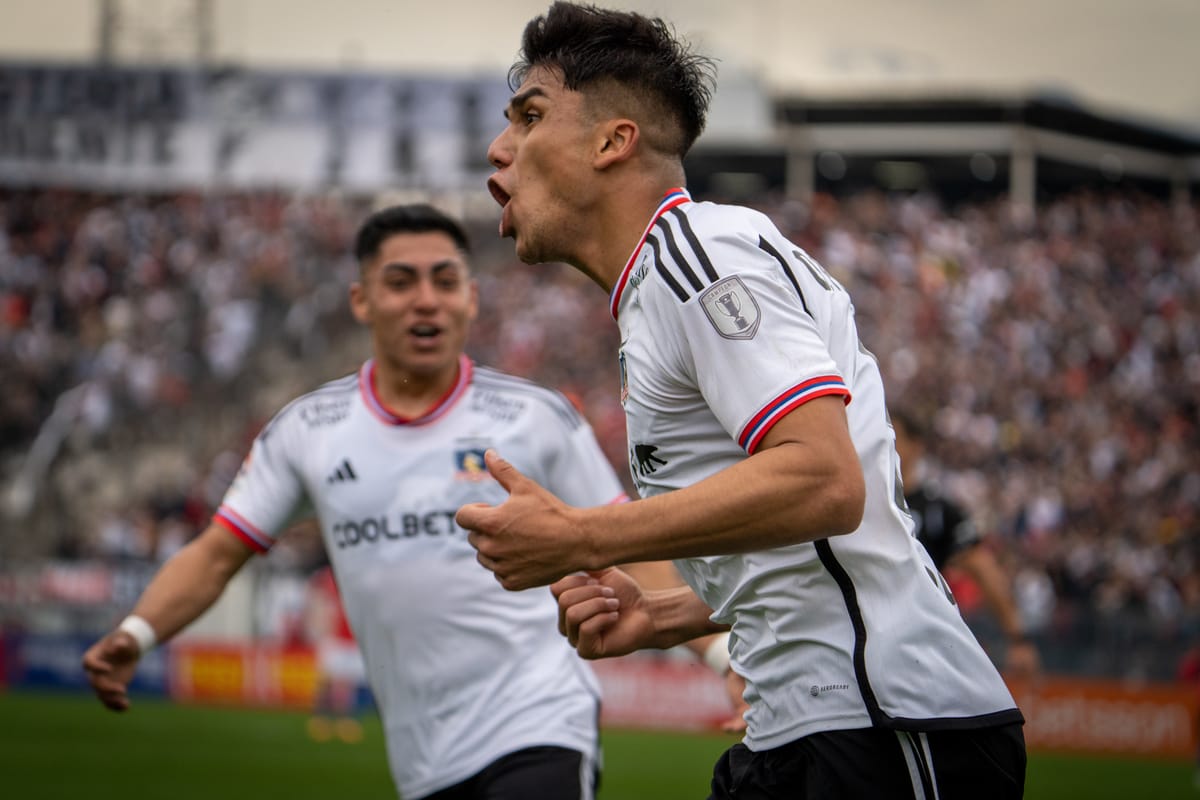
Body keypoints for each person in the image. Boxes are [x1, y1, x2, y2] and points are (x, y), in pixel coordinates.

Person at [457, 3, 1026, 798]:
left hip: (886, 727)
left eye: (530, 115)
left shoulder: (699, 256)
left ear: (612, 141)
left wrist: (583, 536)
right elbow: (810, 547)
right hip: (811, 730)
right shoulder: (658, 291)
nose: (500, 147)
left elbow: (824, 481)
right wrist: (664, 615)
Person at [82, 203, 632, 800]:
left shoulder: (536, 416)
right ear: (361, 300)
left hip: (540, 720)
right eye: (401, 282)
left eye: (445, 281)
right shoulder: (308, 429)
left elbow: (632, 538)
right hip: (423, 761)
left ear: (472, 299)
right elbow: (217, 553)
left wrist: (713, 655)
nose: (426, 300)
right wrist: (135, 634)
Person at [890, 406, 1040, 678]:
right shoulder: (864, 501)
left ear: (917, 445)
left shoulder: (940, 509)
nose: (885, 439)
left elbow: (983, 567)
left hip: (918, 646)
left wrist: (1018, 639)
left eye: (893, 433)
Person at [303, 560, 367, 743]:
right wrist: (318, 629)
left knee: (346, 683)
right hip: (334, 637)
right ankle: (320, 718)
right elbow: (319, 604)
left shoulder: (356, 579)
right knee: (327, 681)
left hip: (351, 638)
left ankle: (344, 721)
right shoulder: (327, 578)